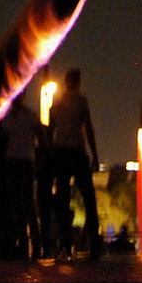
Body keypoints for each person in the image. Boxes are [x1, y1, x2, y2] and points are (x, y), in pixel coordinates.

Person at [47, 68, 102, 258]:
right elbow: (88, 127)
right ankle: (93, 239)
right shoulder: (81, 101)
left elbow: (50, 130)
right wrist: (94, 154)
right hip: (77, 151)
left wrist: (50, 151)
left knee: (62, 198)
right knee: (88, 197)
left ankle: (64, 240)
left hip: (62, 151)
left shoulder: (57, 103)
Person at [0, 91, 40, 258]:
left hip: (23, 161)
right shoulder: (10, 116)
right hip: (16, 161)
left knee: (25, 202)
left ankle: (31, 242)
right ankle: (23, 241)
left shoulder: (27, 116)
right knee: (18, 202)